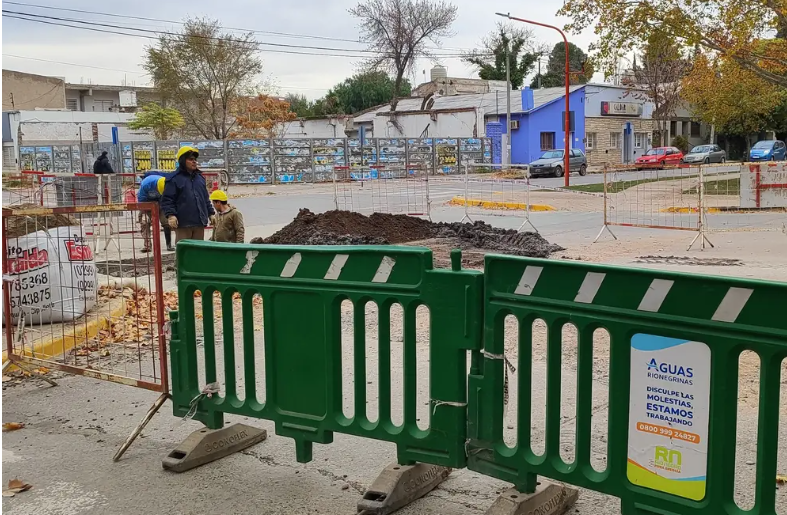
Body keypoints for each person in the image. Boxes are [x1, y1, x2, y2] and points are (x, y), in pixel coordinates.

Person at [160, 146, 214, 243]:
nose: (194, 161)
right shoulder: (173, 179)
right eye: (190, 159)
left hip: (199, 222)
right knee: (184, 253)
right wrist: (171, 215)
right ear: (183, 160)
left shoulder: (200, 178)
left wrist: (211, 214)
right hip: (183, 224)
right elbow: (167, 199)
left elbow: (205, 198)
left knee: (198, 253)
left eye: (195, 159)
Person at [137, 176, 174, 252]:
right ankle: (147, 246)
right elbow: (141, 199)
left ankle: (169, 245)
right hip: (146, 202)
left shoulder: (168, 184)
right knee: (145, 222)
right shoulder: (146, 184)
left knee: (166, 222)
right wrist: (144, 211)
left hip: (162, 203)